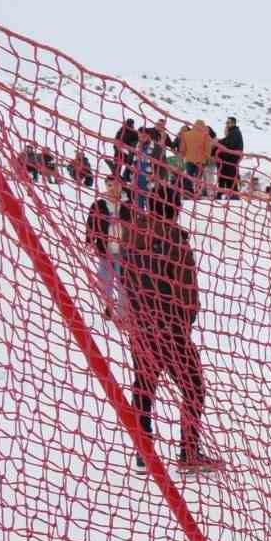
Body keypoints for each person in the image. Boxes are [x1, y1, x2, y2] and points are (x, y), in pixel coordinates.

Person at [119, 185, 216, 470]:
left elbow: (124, 278)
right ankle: (188, 451)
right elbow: (187, 290)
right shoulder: (175, 238)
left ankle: (143, 449)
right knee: (194, 387)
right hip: (171, 329)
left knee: (144, 385)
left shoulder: (130, 233)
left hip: (141, 326)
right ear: (176, 208)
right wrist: (186, 322)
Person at [86, 177, 129, 318]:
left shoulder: (128, 204)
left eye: (115, 185)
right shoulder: (99, 204)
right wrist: (89, 240)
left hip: (123, 251)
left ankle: (122, 313)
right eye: (109, 185)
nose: (112, 188)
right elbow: (91, 223)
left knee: (123, 283)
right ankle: (109, 306)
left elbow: (135, 225)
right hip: (105, 249)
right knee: (104, 280)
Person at [176, 120, 215, 198]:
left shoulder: (186, 135)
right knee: (198, 178)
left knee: (189, 177)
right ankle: (197, 194)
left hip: (189, 159)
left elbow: (182, 148)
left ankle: (187, 194)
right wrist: (207, 158)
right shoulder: (206, 135)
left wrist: (182, 157)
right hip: (200, 161)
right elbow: (208, 149)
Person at [216, 117, 244, 196]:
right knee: (226, 177)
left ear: (233, 123)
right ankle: (227, 194)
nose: (227, 124)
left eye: (228, 123)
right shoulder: (233, 132)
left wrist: (219, 142)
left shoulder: (235, 132)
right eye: (226, 123)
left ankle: (232, 195)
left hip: (231, 159)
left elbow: (230, 144)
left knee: (229, 178)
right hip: (229, 159)